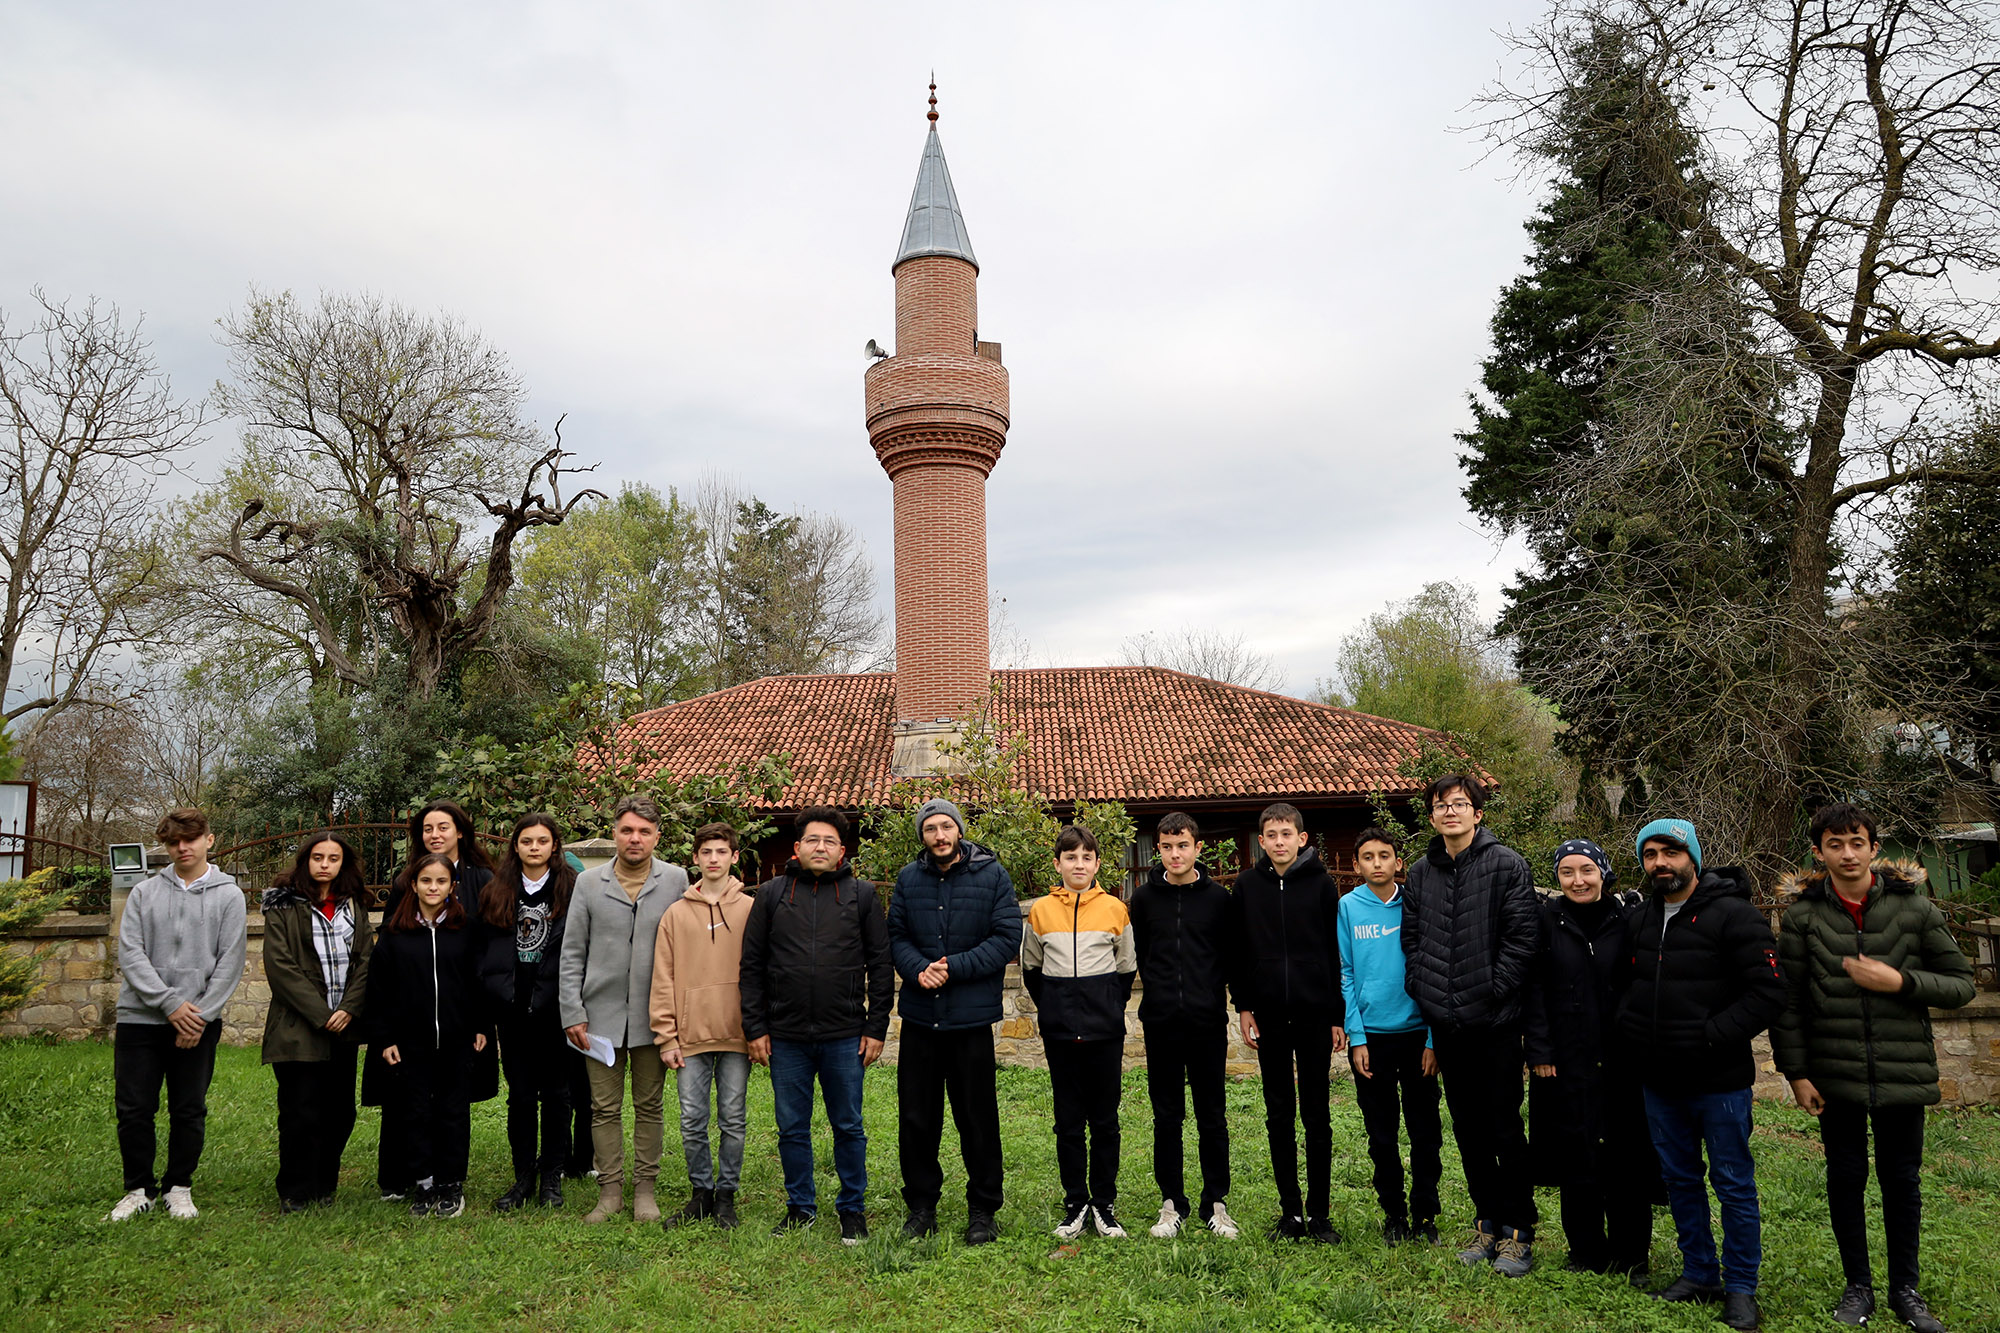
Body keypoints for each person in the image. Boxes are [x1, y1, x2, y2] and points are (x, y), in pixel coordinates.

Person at [1773, 803, 1975, 1333]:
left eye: (1856, 842)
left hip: (1902, 1073)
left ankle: (1905, 1289)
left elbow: (1962, 984)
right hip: (1834, 1075)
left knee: (1902, 1182)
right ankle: (1857, 1286)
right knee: (1845, 1179)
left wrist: (1901, 982)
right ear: (1818, 853)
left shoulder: (1915, 910)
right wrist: (1797, 1074)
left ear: (1873, 849)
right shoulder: (1801, 919)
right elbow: (1788, 1004)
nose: (1847, 853)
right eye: (1834, 844)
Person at [1621, 817, 1785, 1331]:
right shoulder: (1641, 918)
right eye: (1650, 855)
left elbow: (1768, 993)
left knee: (1733, 1183)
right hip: (1659, 1079)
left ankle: (1740, 1288)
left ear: (1692, 856)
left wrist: (1711, 1035)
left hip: (1719, 1082)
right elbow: (1627, 983)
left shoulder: (1735, 915)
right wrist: (1631, 1029)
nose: (1660, 863)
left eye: (1670, 852)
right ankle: (1699, 1272)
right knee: (1680, 1180)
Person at [1400, 773, 1540, 1276]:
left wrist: (1488, 994)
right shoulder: (1420, 872)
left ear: (1477, 814)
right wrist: (1430, 992)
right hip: (1449, 1026)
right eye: (1441, 806)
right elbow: (1412, 942)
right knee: (1468, 1131)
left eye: (1460, 804)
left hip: (1496, 1025)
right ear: (1432, 816)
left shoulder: (1507, 865)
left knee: (1504, 1128)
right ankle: (1487, 1224)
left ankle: (1518, 1233)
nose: (1450, 812)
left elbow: (1522, 942)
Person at [739, 806, 893, 1244]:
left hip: (845, 1035)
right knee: (792, 1127)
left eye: (828, 841)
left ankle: (852, 1209)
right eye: (812, 840)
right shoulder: (770, 894)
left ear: (841, 851)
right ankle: (800, 1207)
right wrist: (756, 1028)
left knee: (848, 1125)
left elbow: (881, 967)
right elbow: (751, 967)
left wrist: (876, 1028)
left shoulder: (862, 896)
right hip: (785, 1037)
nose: (820, 847)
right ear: (797, 847)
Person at [888, 798, 1023, 1246]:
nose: (940, 836)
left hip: (970, 1021)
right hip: (921, 1020)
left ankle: (983, 1209)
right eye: (931, 829)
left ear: (959, 831)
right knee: (917, 1119)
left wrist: (953, 966)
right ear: (922, 836)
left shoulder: (992, 875)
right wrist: (917, 969)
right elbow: (897, 936)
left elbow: (1006, 937)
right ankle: (921, 1208)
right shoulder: (909, 879)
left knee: (977, 1119)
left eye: (947, 827)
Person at [108, 808, 248, 1222]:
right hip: (140, 1018)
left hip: (198, 1024)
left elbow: (230, 962)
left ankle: (178, 1187)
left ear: (210, 839)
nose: (182, 848)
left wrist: (199, 1017)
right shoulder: (144, 893)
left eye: (190, 839)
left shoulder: (229, 895)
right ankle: (137, 1190)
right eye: (173, 842)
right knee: (134, 1108)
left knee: (188, 1108)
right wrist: (170, 1005)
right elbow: (131, 954)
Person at [1523, 838, 1655, 1280]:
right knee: (1574, 1156)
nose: (1577, 880)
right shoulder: (1547, 921)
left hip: (1623, 1057)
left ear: (1603, 872)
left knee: (1626, 1157)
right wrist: (1539, 1049)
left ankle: (1632, 1254)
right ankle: (1585, 1252)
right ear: (1558, 878)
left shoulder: (1630, 920)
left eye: (1586, 871)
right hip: (1565, 1058)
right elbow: (1534, 989)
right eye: (1567, 872)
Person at [560, 794, 688, 1224]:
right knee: (603, 1107)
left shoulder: (675, 880)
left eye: (644, 832)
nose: (635, 839)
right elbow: (572, 952)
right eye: (627, 830)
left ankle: (645, 1191)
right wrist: (572, 1011)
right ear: (614, 832)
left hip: (656, 1018)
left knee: (650, 1106)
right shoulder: (588, 883)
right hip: (599, 1017)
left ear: (657, 836)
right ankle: (609, 1191)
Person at [1228, 802, 1346, 1244]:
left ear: (1302, 839)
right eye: (1271, 835)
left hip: (1315, 1016)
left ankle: (1319, 1214)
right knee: (1279, 1115)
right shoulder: (1246, 886)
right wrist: (1243, 1007)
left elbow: (1335, 956)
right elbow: (1237, 953)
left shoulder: (1322, 886)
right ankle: (1290, 1213)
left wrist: (1336, 1014)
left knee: (1317, 1116)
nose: (1279, 841)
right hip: (1269, 1018)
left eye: (1286, 834)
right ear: (1261, 841)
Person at [370, 799, 496, 1202]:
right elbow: (383, 978)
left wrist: (481, 1023)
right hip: (411, 1029)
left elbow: (480, 973)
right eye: (428, 828)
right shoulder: (397, 927)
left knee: (453, 1110)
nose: (436, 834)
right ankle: (410, 1177)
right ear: (415, 884)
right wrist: (385, 1032)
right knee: (410, 1107)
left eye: (444, 826)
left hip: (458, 1029)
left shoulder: (478, 893)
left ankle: (449, 1181)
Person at [1023, 825, 1138, 1241]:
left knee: (1105, 1121)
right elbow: (1031, 971)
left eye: (1086, 857)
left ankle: (1104, 1205)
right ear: (1058, 864)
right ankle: (1075, 1204)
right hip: (1059, 1033)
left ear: (1097, 864)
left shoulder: (1115, 909)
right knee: (1068, 1122)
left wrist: (1104, 1006)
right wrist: (1056, 1008)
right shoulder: (1040, 911)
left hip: (1104, 1033)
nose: (1079, 864)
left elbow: (1126, 971)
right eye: (1070, 857)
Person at [1129, 811, 1238, 1240]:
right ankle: (1171, 1202)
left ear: (1197, 848)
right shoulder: (1143, 900)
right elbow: (1139, 955)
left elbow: (1229, 958)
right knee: (1166, 1116)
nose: (1176, 854)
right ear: (1159, 850)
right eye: (1168, 847)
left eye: (1183, 846)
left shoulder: (1218, 900)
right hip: (1160, 1023)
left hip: (1207, 1022)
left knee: (1212, 1116)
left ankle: (1216, 1202)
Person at [1338, 826, 1442, 1247]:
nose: (1377, 864)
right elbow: (1345, 973)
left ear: (1399, 862)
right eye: (1368, 857)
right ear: (1357, 864)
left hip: (1418, 1037)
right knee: (1381, 1134)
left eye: (1385, 856)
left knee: (1425, 1132)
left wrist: (1434, 1039)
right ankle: (1394, 1214)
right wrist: (1357, 1036)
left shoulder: (1417, 905)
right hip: (1372, 1041)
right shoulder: (1347, 906)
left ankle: (1425, 1214)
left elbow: (1439, 971)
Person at [261, 831, 373, 1212]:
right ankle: (295, 1189)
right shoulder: (282, 905)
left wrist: (349, 1008)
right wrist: (322, 1015)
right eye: (318, 857)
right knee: (300, 1112)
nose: (325, 864)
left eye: (334, 858)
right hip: (299, 1028)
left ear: (344, 864)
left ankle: (324, 1185)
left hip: (344, 1026)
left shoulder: (352, 905)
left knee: (340, 1112)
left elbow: (365, 961)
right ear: (306, 860)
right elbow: (280, 967)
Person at [652, 821, 754, 1231]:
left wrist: (758, 1029)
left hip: (737, 1034)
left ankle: (726, 1196)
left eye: (721, 852)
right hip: (688, 1036)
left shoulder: (750, 909)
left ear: (733, 857)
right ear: (695, 858)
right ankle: (701, 1193)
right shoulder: (675, 914)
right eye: (706, 853)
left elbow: (763, 972)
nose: (713, 860)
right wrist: (665, 1035)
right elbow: (662, 977)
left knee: (733, 1118)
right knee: (692, 1119)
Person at [478, 813, 576, 1213]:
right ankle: (523, 1174)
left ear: (554, 846)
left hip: (555, 1006)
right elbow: (484, 950)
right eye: (526, 841)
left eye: (542, 841)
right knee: (520, 1096)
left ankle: (552, 1174)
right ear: (515, 847)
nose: (534, 847)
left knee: (557, 1095)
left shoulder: (571, 888)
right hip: (513, 1008)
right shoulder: (496, 890)